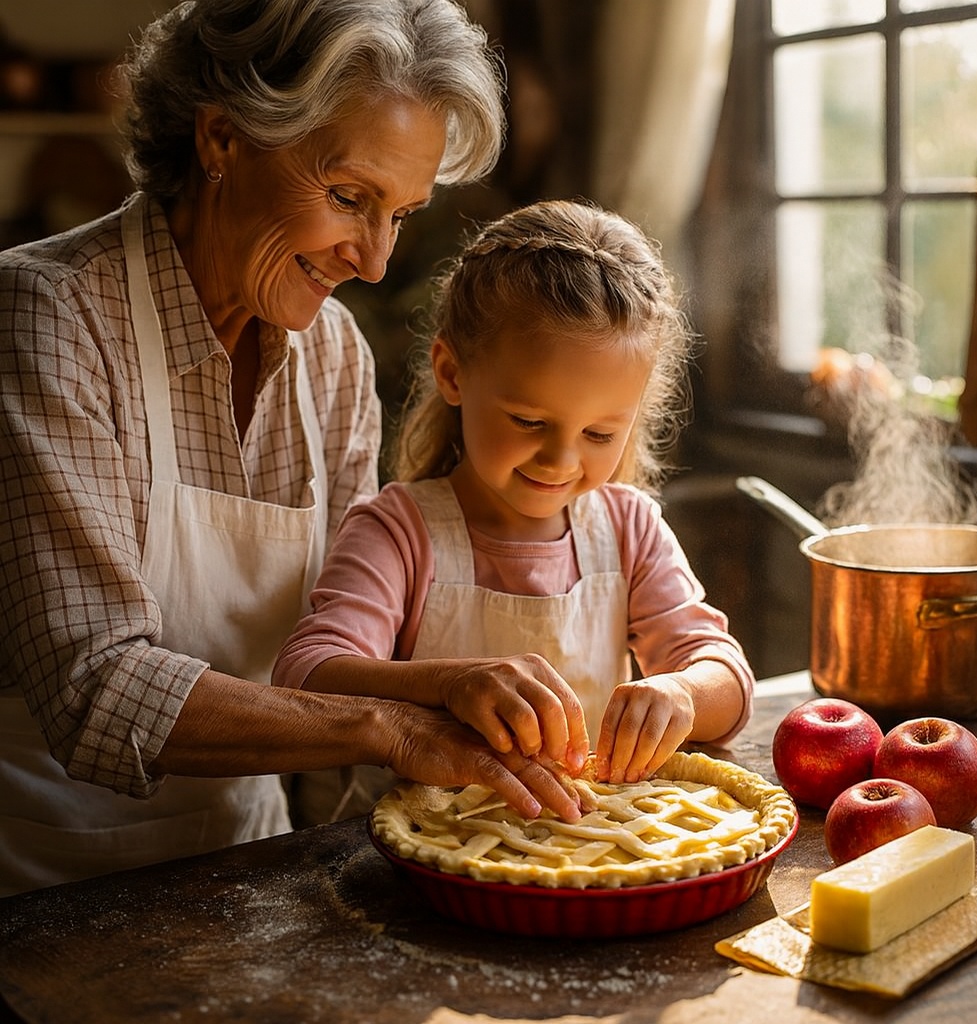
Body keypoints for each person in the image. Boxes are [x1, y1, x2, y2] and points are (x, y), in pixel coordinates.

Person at [0, 0, 583, 899]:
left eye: (403, 214)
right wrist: (387, 725)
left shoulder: (334, 355)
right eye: (349, 198)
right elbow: (95, 686)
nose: (377, 260)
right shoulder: (49, 318)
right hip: (46, 882)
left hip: (245, 863)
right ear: (223, 140)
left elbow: (339, 640)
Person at [273, 199, 755, 816]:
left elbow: (727, 678)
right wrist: (449, 685)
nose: (560, 458)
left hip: (588, 861)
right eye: (529, 420)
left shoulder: (627, 528)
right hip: (415, 858)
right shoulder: (398, 532)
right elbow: (306, 673)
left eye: (601, 434)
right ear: (452, 373)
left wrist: (682, 692)